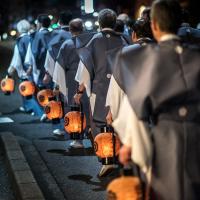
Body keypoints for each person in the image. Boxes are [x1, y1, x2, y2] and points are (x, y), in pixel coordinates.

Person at [112, 0, 200, 199]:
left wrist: (132, 147)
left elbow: (135, 110)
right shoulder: (196, 55)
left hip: (166, 138)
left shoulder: (146, 59)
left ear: (154, 25)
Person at [74, 8, 130, 176]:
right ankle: (120, 159)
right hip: (120, 89)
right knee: (118, 123)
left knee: (99, 124)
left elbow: (84, 71)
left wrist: (79, 91)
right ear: (114, 23)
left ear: (99, 23)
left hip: (99, 90)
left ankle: (107, 161)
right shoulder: (124, 41)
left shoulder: (93, 41)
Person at [106, 18, 153, 125]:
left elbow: (116, 86)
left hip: (131, 109)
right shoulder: (163, 50)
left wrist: (112, 112)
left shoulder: (124, 52)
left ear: (133, 35)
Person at [53, 18, 93, 141]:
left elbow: (59, 67)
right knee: (88, 106)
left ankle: (77, 139)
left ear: (70, 30)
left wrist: (57, 86)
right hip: (88, 78)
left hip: (71, 77)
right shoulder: (90, 42)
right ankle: (90, 132)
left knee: (73, 107)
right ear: (83, 29)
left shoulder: (66, 44)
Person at [7, 19, 43, 117]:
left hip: (26, 71)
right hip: (36, 69)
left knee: (28, 91)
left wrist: (10, 72)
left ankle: (40, 112)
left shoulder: (20, 41)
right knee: (36, 92)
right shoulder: (32, 37)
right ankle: (32, 108)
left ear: (19, 29)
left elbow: (16, 59)